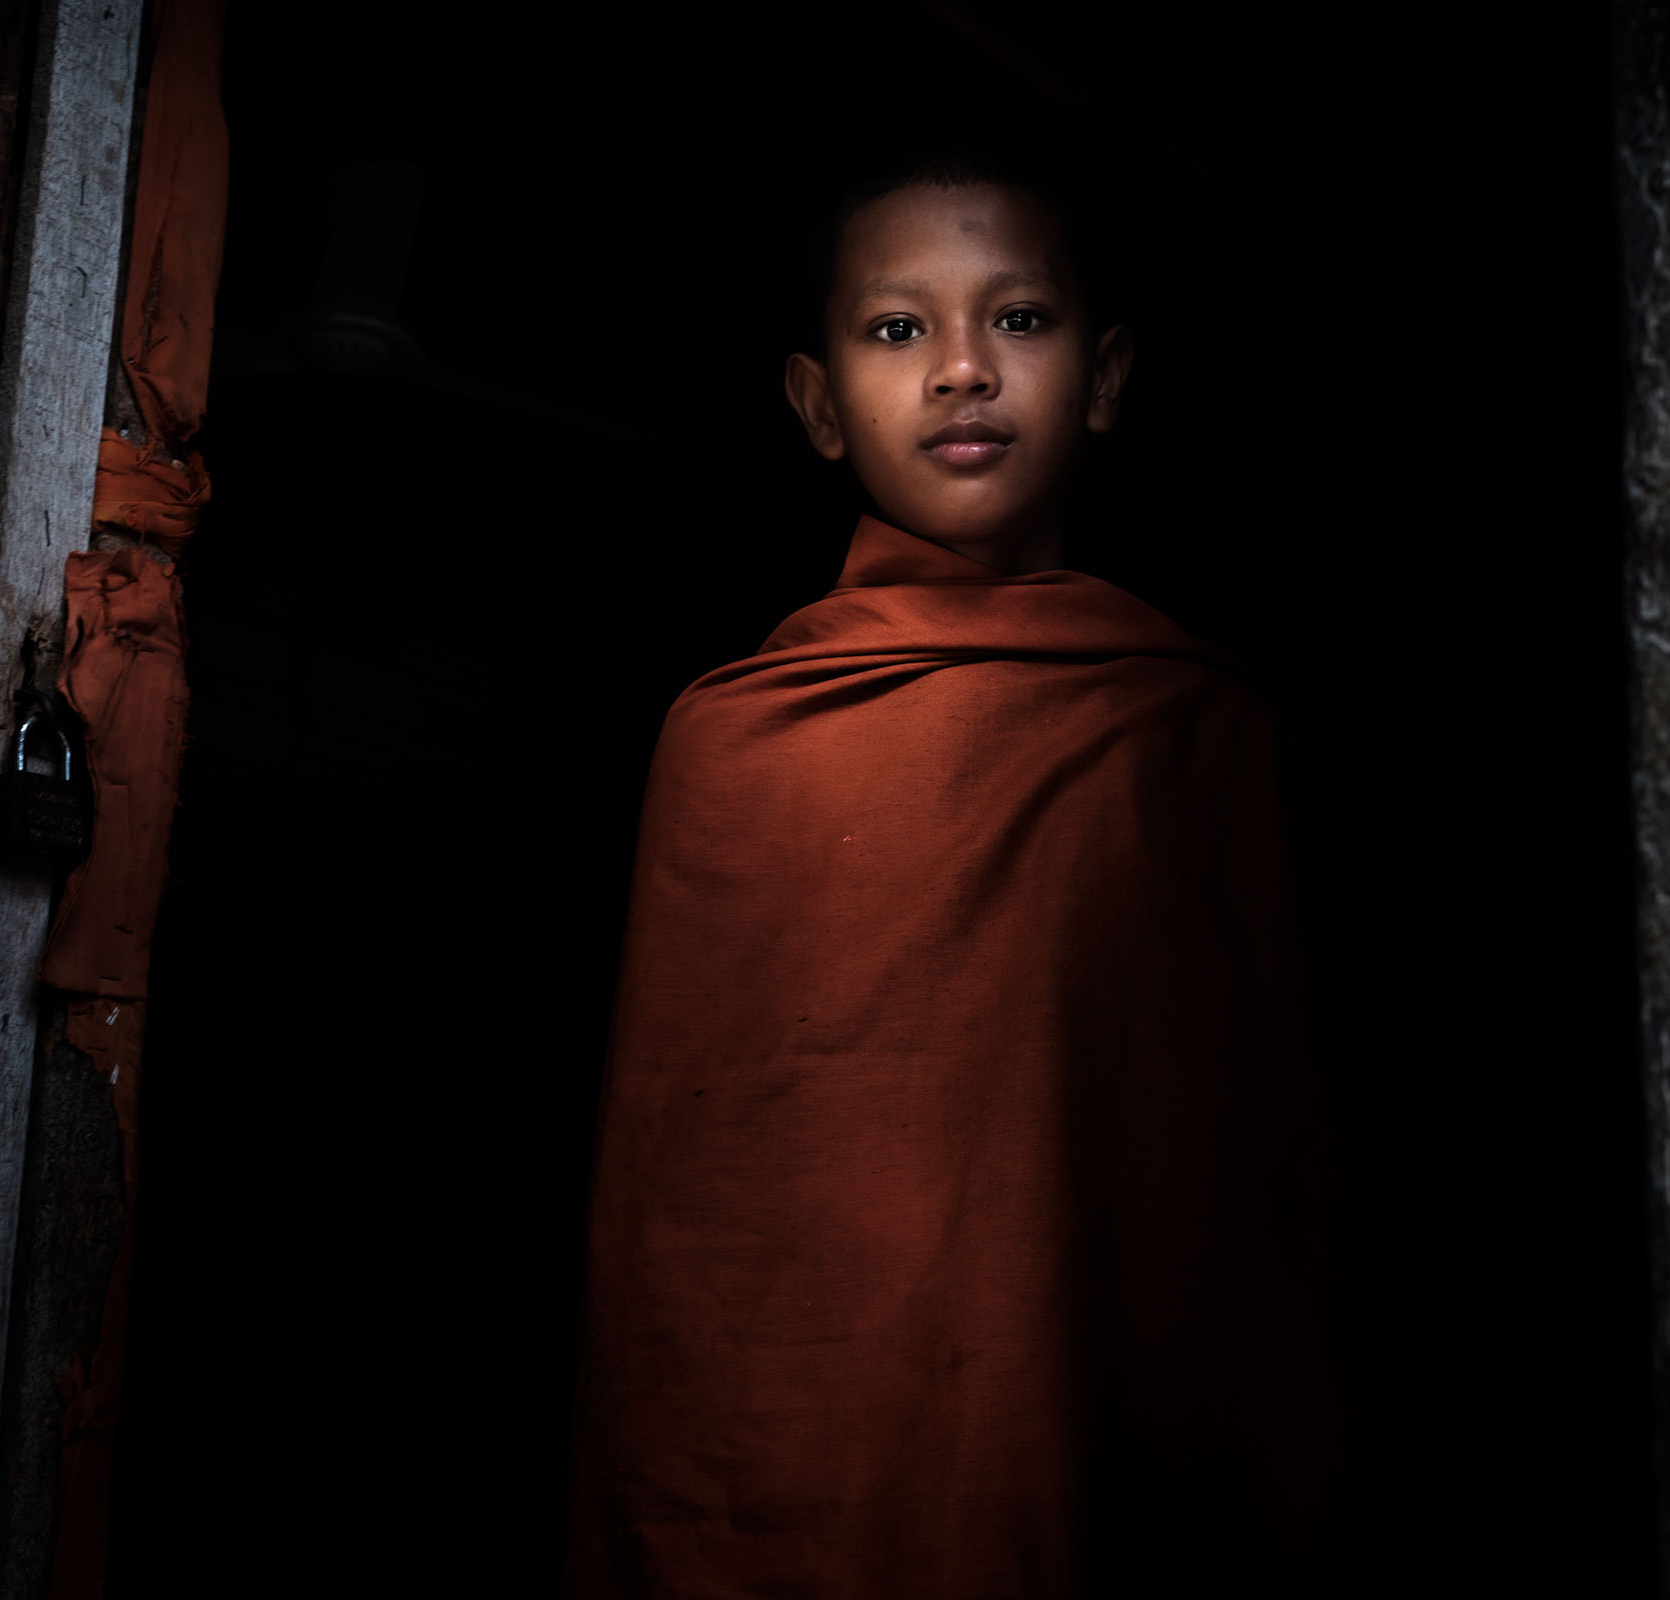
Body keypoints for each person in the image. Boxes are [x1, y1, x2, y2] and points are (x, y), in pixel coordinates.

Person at [565, 149, 1350, 1598]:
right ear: (817, 404)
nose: (964, 371)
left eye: (1023, 321)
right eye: (897, 329)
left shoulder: (1198, 731)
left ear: (1105, 378)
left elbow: (1273, 1191)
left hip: (1099, 1433)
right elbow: (686, 1215)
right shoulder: (735, 741)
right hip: (795, 1450)